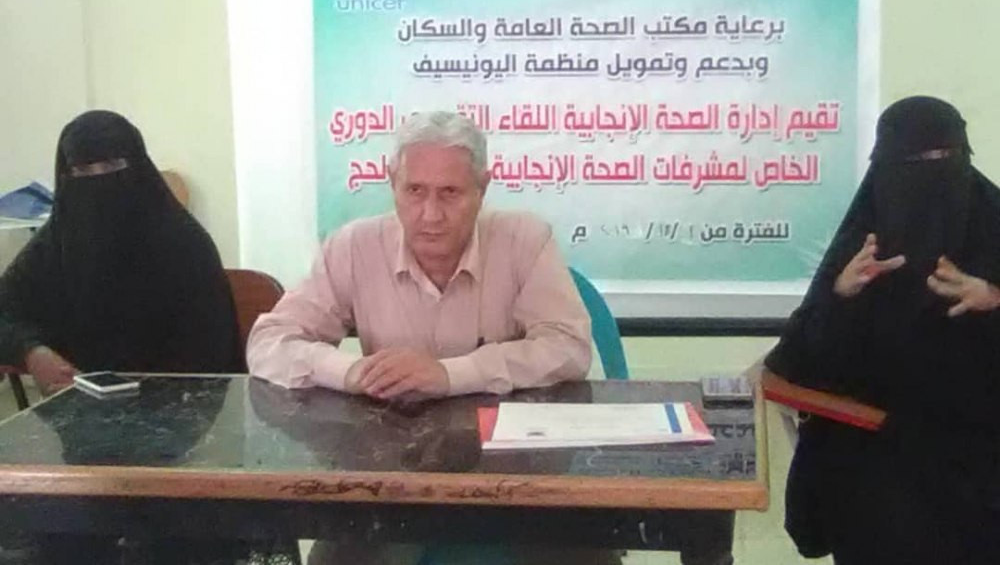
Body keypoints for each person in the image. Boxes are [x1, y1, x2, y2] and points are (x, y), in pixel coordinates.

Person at [248, 110, 598, 565]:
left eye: (450, 193)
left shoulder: (525, 240)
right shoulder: (353, 246)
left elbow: (569, 347)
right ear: (392, 183)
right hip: (392, 474)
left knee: (581, 548)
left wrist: (450, 375)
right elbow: (269, 341)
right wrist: (352, 371)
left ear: (483, 188)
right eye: (415, 191)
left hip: (515, 472)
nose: (431, 215)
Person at [764, 96, 1000, 565]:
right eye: (912, 163)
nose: (930, 175)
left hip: (983, 482)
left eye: (945, 158)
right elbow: (794, 366)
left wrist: (995, 300)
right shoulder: (863, 245)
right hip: (875, 479)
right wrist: (840, 296)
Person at [0, 110, 241, 393]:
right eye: (82, 171)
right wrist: (31, 352)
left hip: (179, 409)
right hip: (78, 408)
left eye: (113, 165)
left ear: (138, 169)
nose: (98, 181)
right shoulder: (56, 244)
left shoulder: (185, 247)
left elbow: (210, 364)